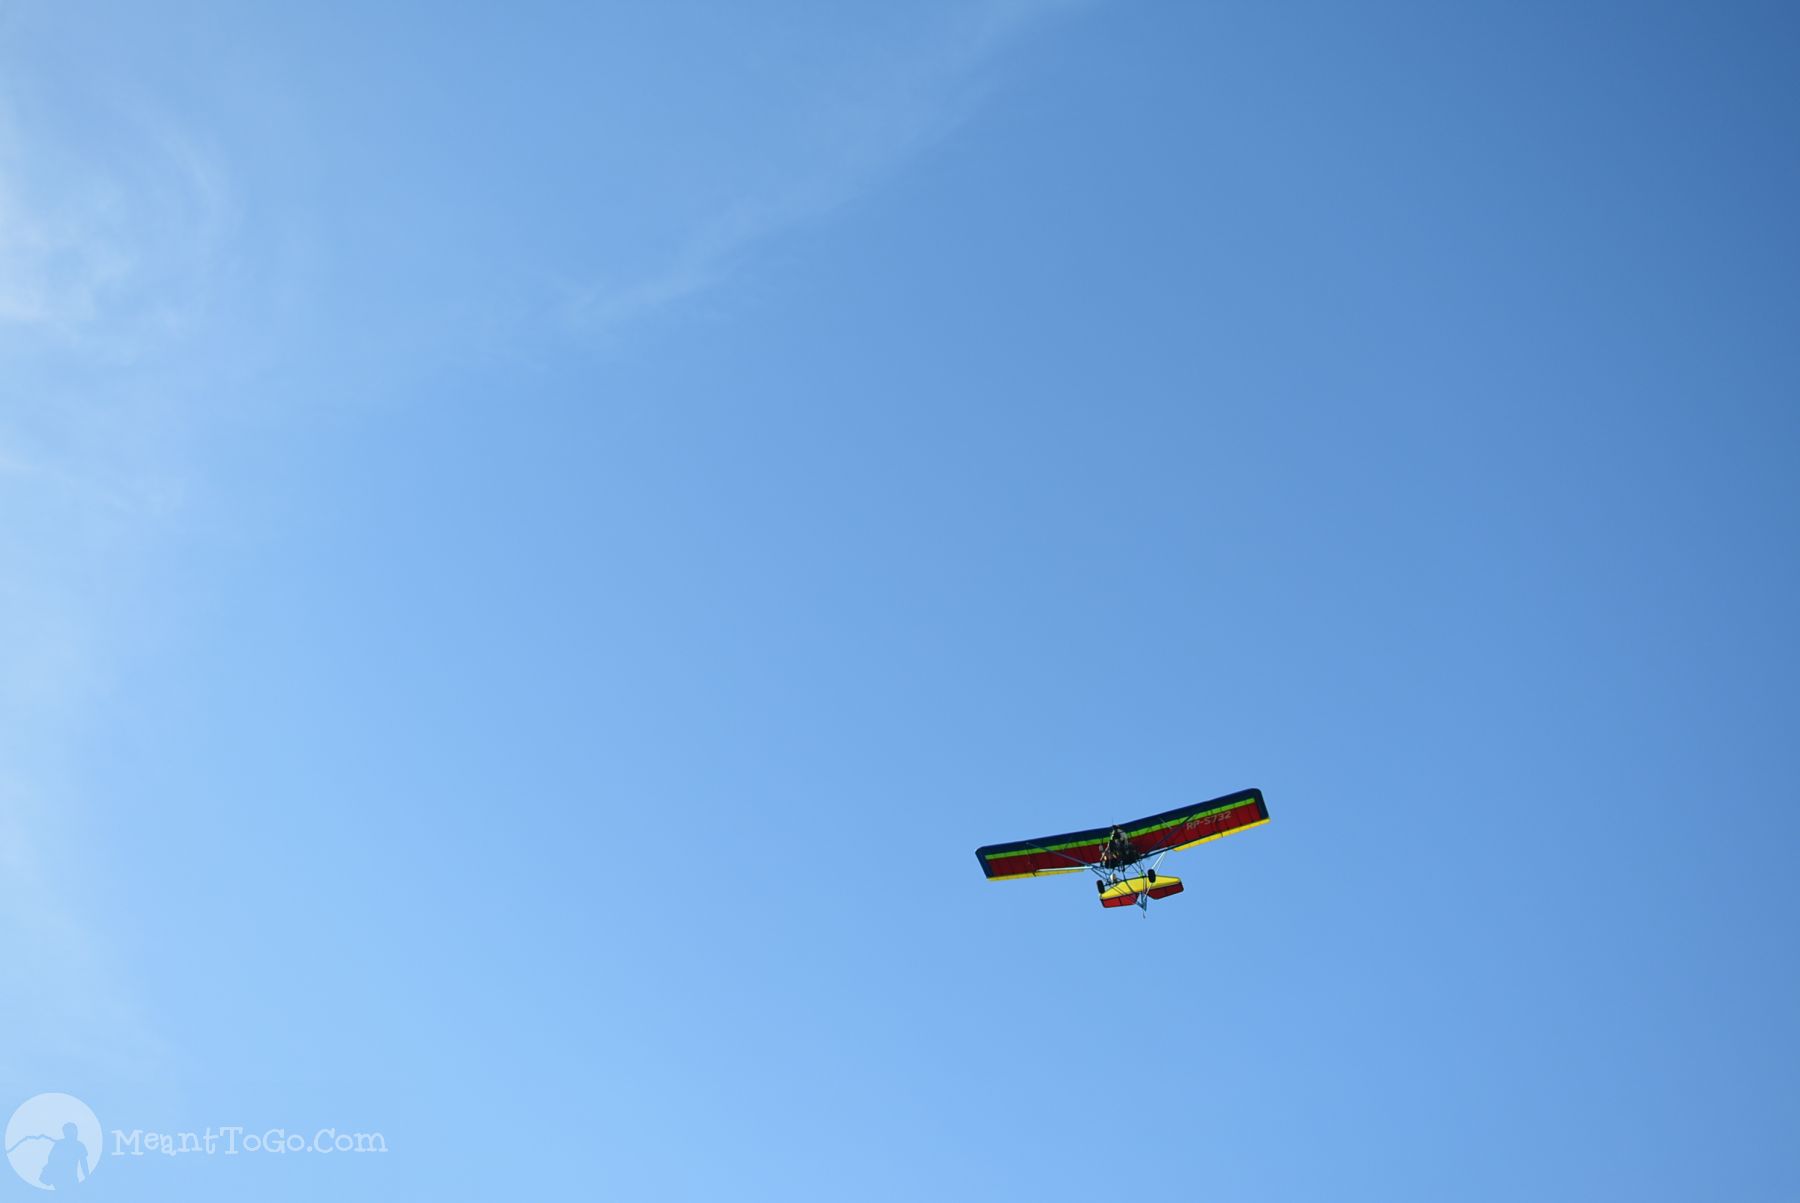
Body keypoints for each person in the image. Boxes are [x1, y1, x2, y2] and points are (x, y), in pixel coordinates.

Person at [40, 1122, 89, 1190]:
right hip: (61, 1178)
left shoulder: (77, 1145)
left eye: (74, 1131)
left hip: (69, 1178)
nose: (74, 1133)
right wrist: (87, 1177)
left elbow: (84, 1163)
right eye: (70, 1132)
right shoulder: (77, 1145)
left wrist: (87, 1177)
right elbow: (51, 1158)